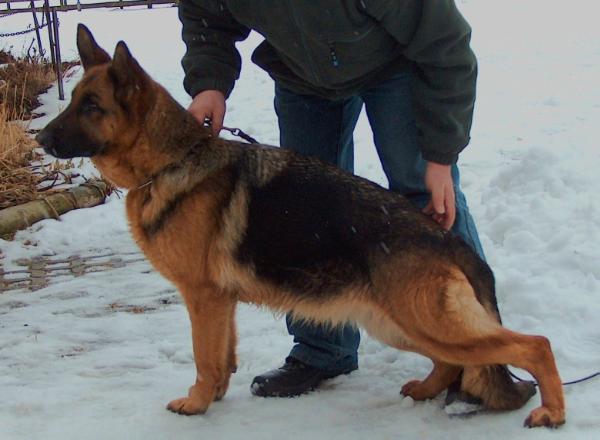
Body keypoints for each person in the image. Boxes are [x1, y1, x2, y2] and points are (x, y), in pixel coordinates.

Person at [178, 0, 486, 398]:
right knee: (301, 210)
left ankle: (480, 354)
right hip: (302, 76)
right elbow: (205, 15)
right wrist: (209, 83)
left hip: (394, 63)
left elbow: (447, 45)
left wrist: (441, 156)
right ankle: (323, 349)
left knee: (424, 193)